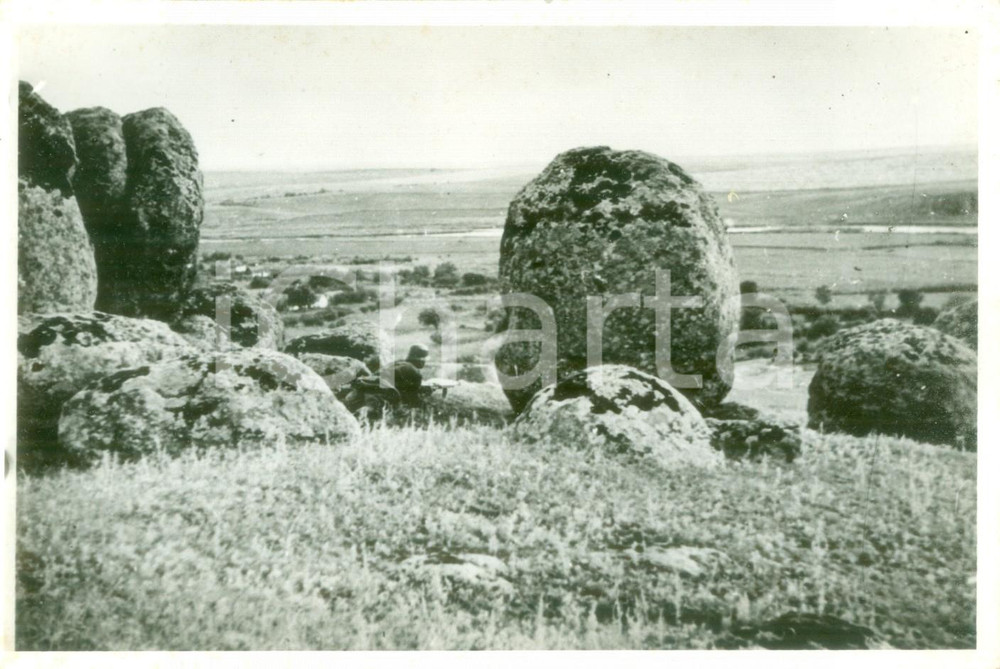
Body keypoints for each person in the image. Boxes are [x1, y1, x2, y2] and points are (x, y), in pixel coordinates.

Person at [389, 344, 429, 408]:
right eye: (424, 359)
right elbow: (414, 399)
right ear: (421, 360)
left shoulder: (397, 362)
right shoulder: (415, 372)